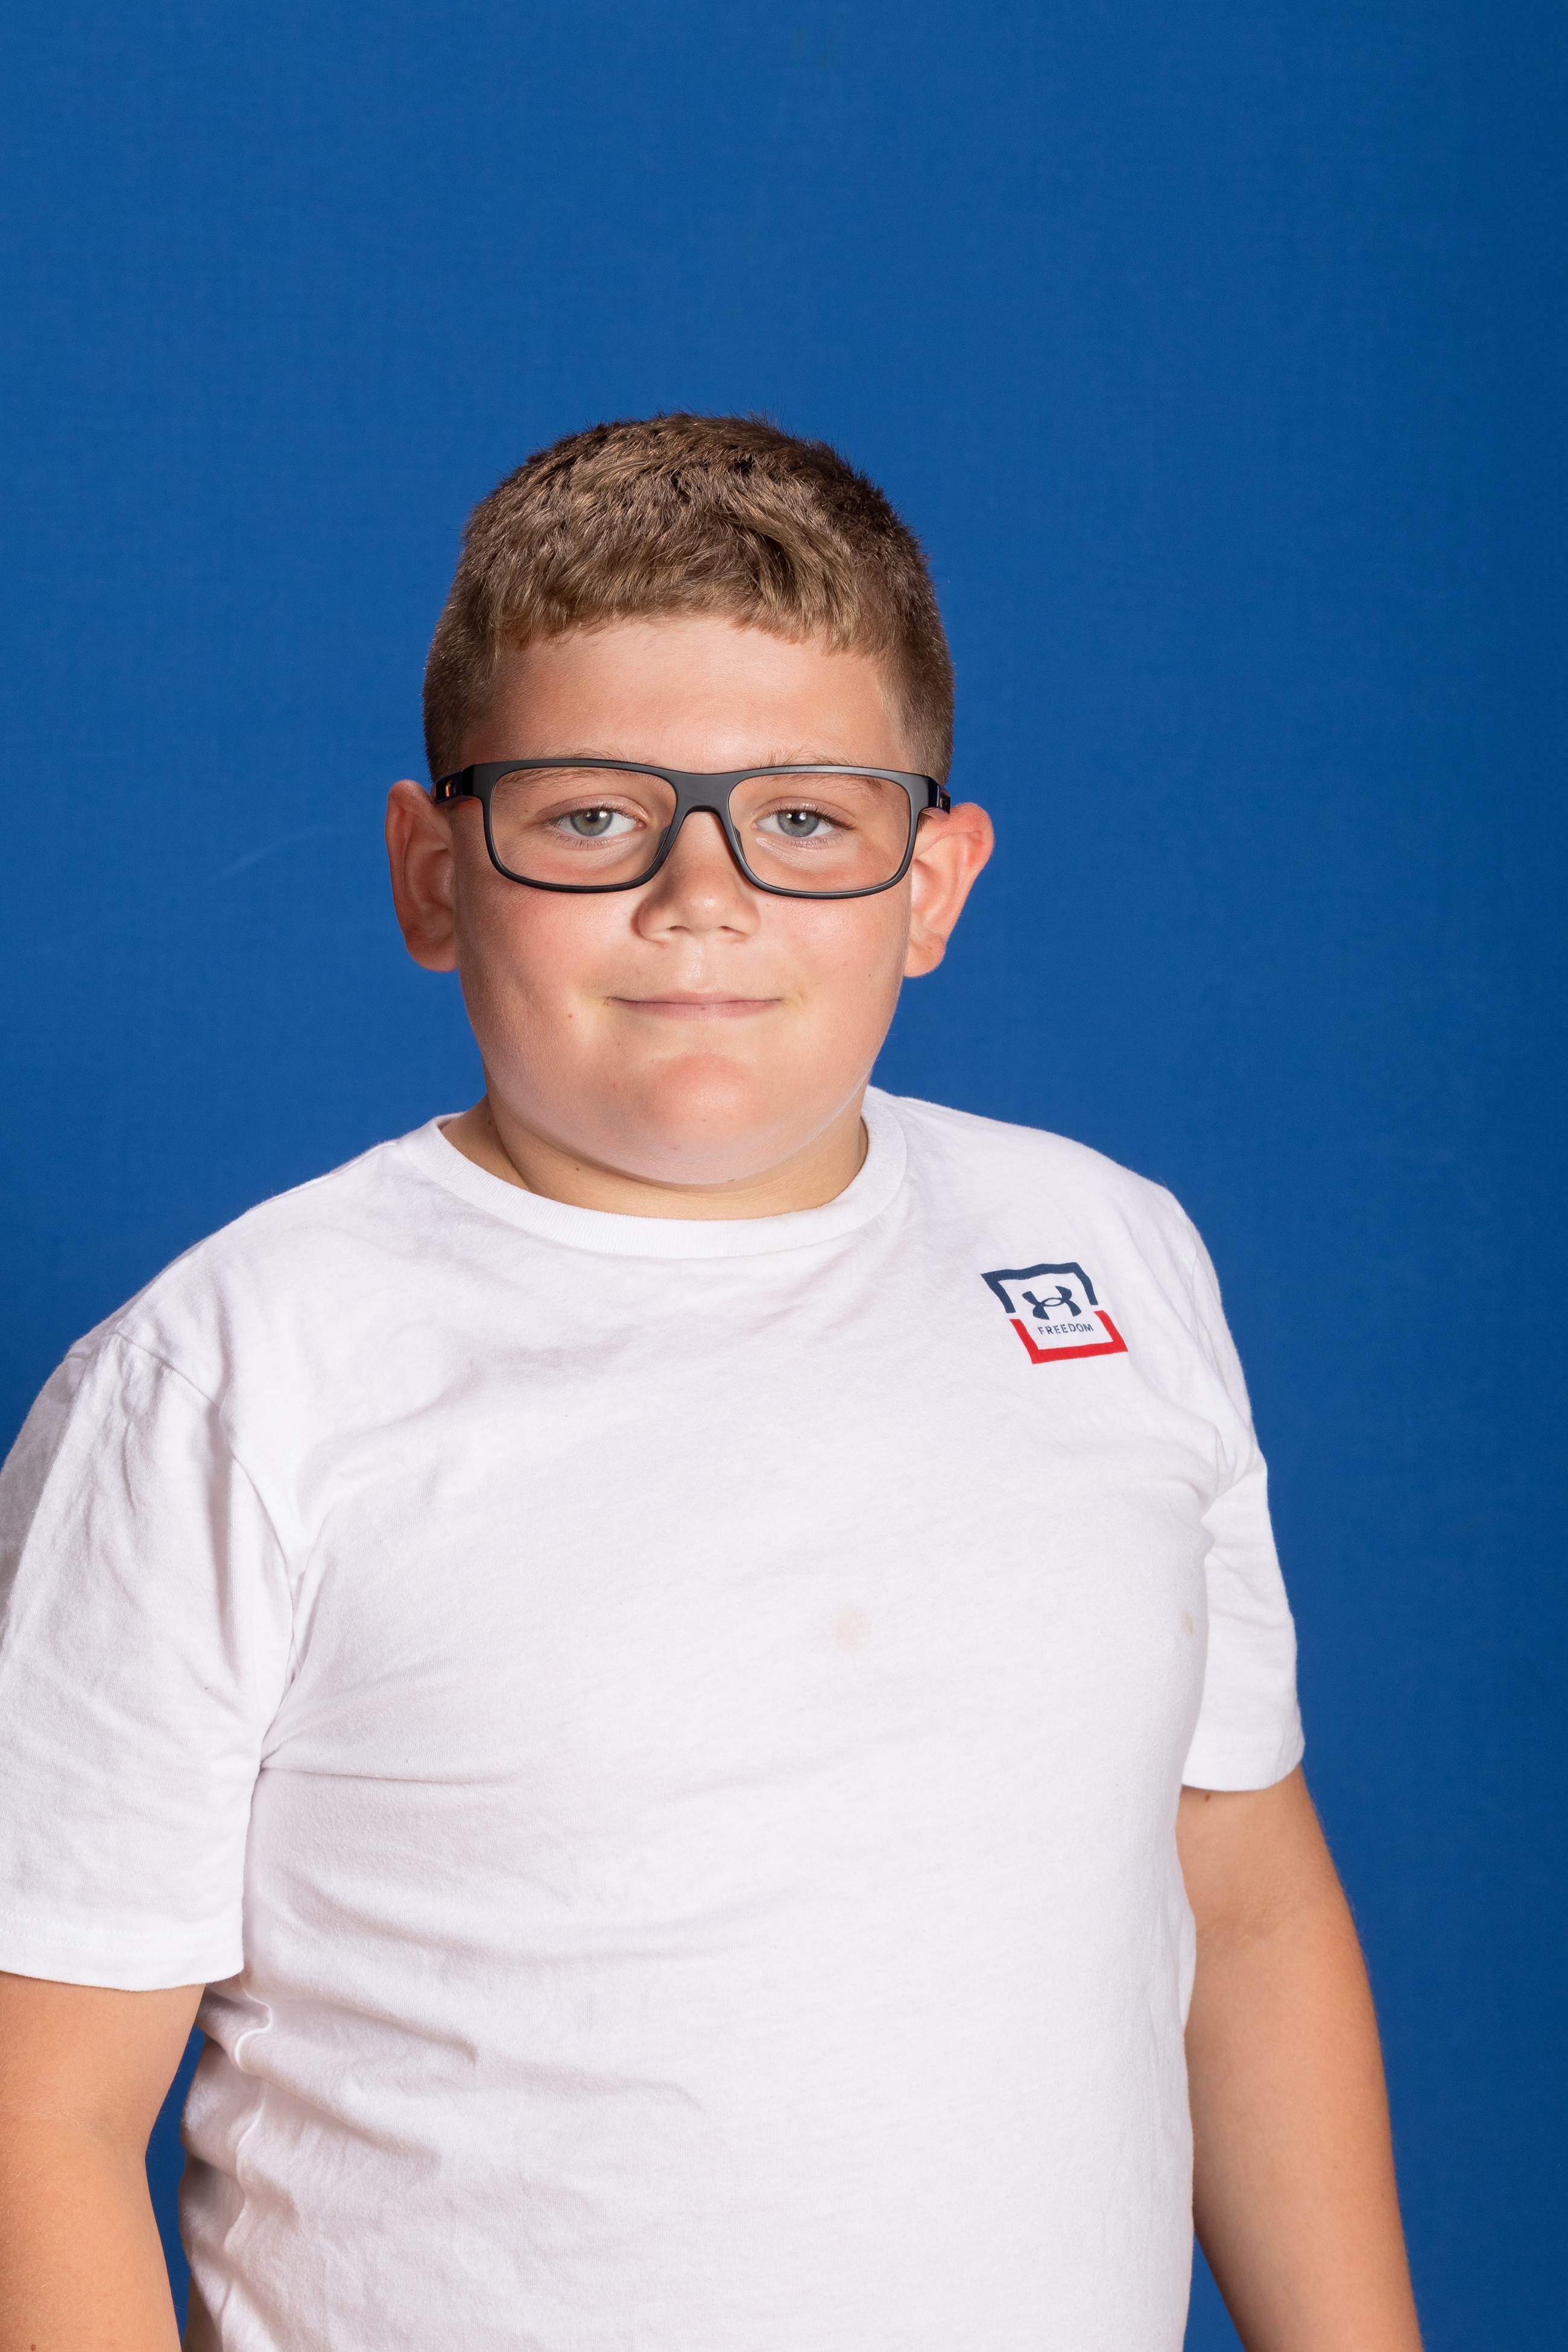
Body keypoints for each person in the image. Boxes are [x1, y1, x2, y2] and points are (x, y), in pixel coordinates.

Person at [0, 414, 1422, 2351]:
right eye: (591, 816)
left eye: (809, 820)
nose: (704, 896)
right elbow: (41, 2107)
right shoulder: (233, 1376)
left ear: (936, 883)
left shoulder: (1106, 1251)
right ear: (433, 874)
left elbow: (1241, 1902)